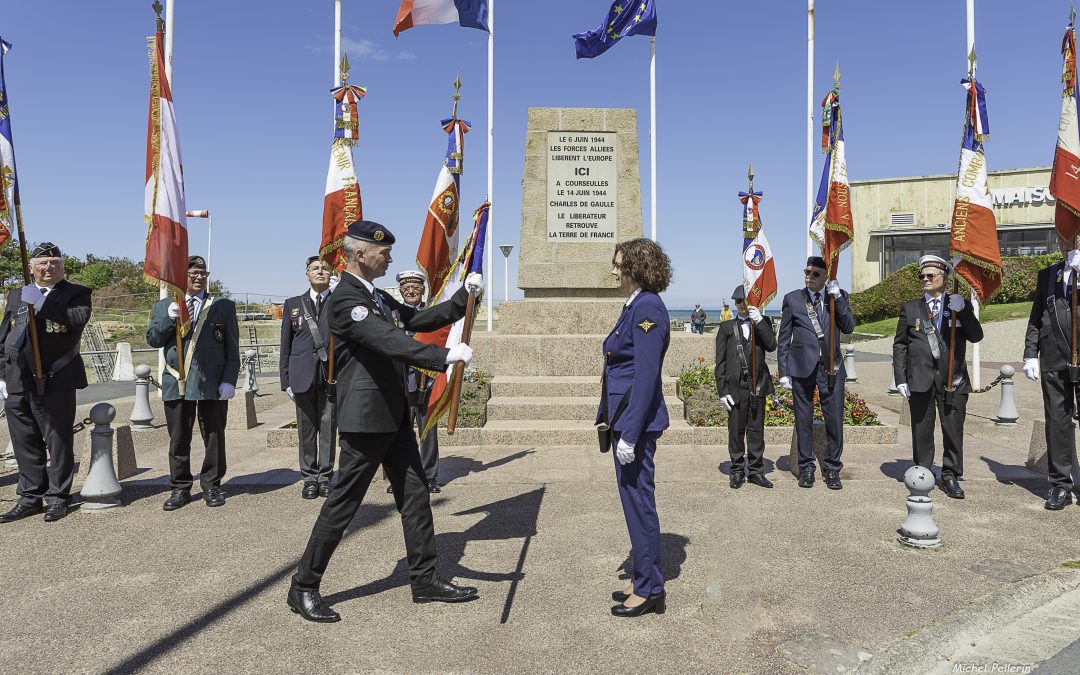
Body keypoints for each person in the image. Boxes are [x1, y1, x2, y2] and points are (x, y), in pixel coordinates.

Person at [287, 219, 483, 623]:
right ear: (360, 254)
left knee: (415, 496)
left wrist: (465, 296)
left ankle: (424, 578)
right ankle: (303, 586)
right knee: (343, 505)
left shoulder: (376, 297)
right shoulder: (346, 300)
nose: (390, 258)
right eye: (383, 252)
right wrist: (442, 358)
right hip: (366, 421)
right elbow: (388, 339)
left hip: (392, 417)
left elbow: (417, 319)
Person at [597, 237, 671, 618]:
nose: (613, 270)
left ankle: (650, 588)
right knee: (633, 501)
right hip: (627, 420)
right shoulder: (635, 305)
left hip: (635, 424)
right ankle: (643, 575)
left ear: (636, 267)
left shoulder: (648, 307)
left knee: (639, 503)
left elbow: (645, 376)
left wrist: (630, 433)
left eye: (618, 263)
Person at [0, 243, 91, 523]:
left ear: (63, 267)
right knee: (24, 440)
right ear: (32, 268)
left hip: (55, 378)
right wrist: (1, 376)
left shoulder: (76, 293)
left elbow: (77, 319)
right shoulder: (17, 295)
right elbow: (5, 337)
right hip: (17, 380)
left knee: (58, 440)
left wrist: (41, 304)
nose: (48, 267)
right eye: (42, 263)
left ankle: (58, 497)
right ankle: (30, 496)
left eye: (54, 262)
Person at [146, 255, 240, 511]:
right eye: (192, 274)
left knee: (213, 435)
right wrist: (168, 318)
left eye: (203, 273)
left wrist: (229, 380)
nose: (198, 278)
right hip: (176, 378)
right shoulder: (163, 305)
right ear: (181, 276)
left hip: (211, 381)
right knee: (178, 437)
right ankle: (179, 487)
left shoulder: (222, 306)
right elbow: (153, 339)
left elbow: (232, 349)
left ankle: (212, 484)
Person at [893, 255, 983, 499]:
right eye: (922, 276)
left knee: (953, 430)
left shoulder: (959, 304)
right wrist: (900, 378)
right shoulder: (911, 308)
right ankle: (922, 471)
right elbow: (900, 345)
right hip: (920, 379)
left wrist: (964, 311)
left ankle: (951, 475)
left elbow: (976, 336)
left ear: (944, 278)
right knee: (921, 431)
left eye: (930, 276)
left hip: (952, 380)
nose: (925, 279)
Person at [777, 256, 856, 490]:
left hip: (832, 367)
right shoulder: (793, 299)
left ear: (825, 277)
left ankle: (832, 468)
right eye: (806, 272)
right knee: (803, 420)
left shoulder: (837, 297)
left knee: (834, 421)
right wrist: (784, 370)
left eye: (815, 274)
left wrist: (838, 297)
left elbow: (849, 326)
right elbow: (784, 338)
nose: (809, 277)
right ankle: (806, 468)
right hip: (802, 368)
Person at [1024, 233, 1080, 510]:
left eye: (1072, 240)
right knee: (1057, 422)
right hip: (1053, 357)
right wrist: (1029, 354)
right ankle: (1060, 485)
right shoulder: (1048, 274)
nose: (1066, 246)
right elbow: (1036, 316)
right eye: (1062, 241)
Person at [280, 256, 337, 500]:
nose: (320, 272)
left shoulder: (338, 302)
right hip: (301, 376)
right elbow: (286, 344)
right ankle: (309, 478)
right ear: (307, 274)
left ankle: (325, 477)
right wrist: (286, 381)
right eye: (315, 268)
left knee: (328, 427)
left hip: (331, 376)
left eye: (324, 268)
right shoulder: (293, 304)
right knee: (306, 430)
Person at [715, 284, 776, 490]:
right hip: (734, 387)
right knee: (736, 431)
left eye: (746, 300)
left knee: (756, 431)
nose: (742, 305)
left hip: (757, 385)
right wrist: (722, 391)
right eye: (739, 301)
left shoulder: (763, 322)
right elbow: (720, 362)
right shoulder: (726, 328)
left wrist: (759, 321)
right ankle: (737, 470)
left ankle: (757, 471)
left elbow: (771, 345)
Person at [396, 269, 442, 494]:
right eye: (406, 288)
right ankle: (402, 475)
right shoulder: (394, 316)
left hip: (427, 382)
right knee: (401, 432)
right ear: (401, 291)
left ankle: (430, 476)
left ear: (423, 290)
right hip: (402, 384)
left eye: (415, 287)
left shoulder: (430, 315)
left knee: (428, 432)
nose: (411, 291)